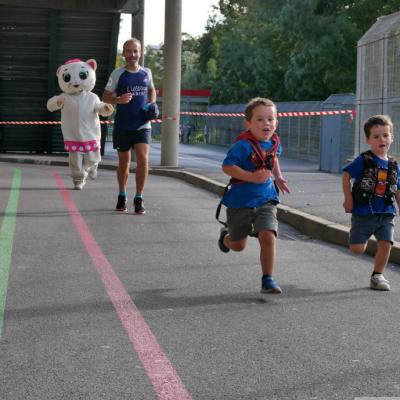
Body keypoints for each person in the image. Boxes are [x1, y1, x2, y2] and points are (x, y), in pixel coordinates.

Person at [217, 97, 290, 294]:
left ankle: (268, 279)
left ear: (276, 122)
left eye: (270, 119)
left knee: (268, 235)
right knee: (238, 245)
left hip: (266, 198)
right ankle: (225, 238)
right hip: (241, 201)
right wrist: (251, 176)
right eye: (260, 119)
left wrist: (279, 177)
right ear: (248, 124)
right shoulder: (242, 146)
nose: (266, 123)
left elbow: (273, 159)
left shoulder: (275, 142)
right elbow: (227, 166)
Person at [342, 115, 400, 291]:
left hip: (386, 212)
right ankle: (360, 237)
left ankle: (377, 275)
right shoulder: (364, 160)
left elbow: (397, 188)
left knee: (386, 243)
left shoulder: (393, 165)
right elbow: (346, 175)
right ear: (368, 140)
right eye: (376, 136)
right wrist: (348, 198)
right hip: (364, 211)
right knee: (357, 249)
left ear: (392, 137)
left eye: (385, 135)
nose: (382, 139)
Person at [102, 38, 157, 214]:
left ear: (140, 53)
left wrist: (152, 104)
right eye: (128, 51)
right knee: (124, 163)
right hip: (123, 125)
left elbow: (151, 89)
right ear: (123, 53)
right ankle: (122, 194)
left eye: (135, 51)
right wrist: (118, 99)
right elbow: (105, 96)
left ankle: (139, 198)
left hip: (142, 125)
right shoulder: (117, 74)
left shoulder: (146, 72)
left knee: (143, 159)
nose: (132, 55)